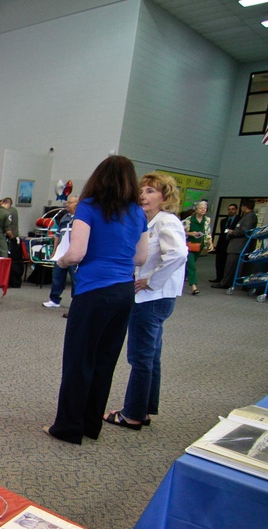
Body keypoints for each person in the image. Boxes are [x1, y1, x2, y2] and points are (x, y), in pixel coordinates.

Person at [44, 155, 148, 445]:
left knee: (79, 360)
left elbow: (77, 252)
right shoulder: (137, 213)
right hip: (124, 292)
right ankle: (91, 424)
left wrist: (62, 262)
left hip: (94, 291)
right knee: (105, 360)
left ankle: (67, 427)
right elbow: (141, 257)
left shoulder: (88, 208)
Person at [104, 172, 187, 429]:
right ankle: (144, 408)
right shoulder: (148, 222)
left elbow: (178, 254)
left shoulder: (167, 222)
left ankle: (133, 414)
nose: (143, 195)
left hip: (151, 298)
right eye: (142, 190)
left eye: (151, 191)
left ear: (165, 197)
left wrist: (151, 280)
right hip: (153, 298)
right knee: (150, 356)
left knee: (140, 357)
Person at [43, 195, 79, 309]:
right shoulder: (64, 217)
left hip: (74, 253)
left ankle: (76, 302)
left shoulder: (81, 218)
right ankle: (54, 299)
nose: (67, 205)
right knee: (57, 276)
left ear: (77, 204)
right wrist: (55, 251)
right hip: (61, 253)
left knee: (75, 279)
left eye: (70, 203)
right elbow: (57, 235)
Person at [215, 198, 257, 289]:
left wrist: (233, 232)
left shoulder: (249, 216)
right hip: (236, 244)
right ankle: (225, 281)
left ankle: (225, 283)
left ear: (244, 207)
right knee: (230, 265)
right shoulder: (246, 216)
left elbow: (245, 230)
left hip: (238, 245)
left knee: (231, 265)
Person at [182, 200, 211, 295]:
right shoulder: (188, 220)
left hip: (200, 245)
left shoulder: (207, 220)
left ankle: (181, 280)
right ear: (196, 209)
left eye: (205, 208)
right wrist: (190, 233)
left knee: (189, 265)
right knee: (192, 265)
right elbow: (181, 232)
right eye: (201, 208)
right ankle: (194, 286)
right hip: (189, 245)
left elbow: (208, 233)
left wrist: (210, 243)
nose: (203, 210)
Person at [210, 203, 238, 285]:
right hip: (222, 243)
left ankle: (225, 280)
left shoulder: (238, 220)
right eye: (229, 209)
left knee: (228, 263)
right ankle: (218, 277)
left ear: (236, 210)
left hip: (231, 243)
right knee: (219, 261)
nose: (230, 211)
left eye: (232, 209)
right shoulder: (223, 221)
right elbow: (222, 232)